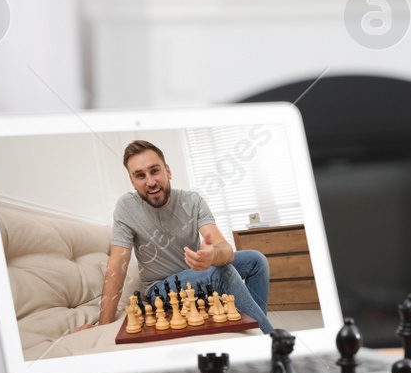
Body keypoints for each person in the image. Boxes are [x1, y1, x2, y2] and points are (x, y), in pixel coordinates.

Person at [86, 140, 274, 334]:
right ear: (132, 182)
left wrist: (212, 256)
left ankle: (256, 329)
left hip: (198, 275)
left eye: (154, 171)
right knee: (221, 273)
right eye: (140, 176)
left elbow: (224, 248)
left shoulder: (193, 201)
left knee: (256, 260)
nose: (150, 182)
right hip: (161, 289)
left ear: (168, 171)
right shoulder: (126, 208)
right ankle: (270, 339)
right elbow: (117, 264)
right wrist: (103, 325)